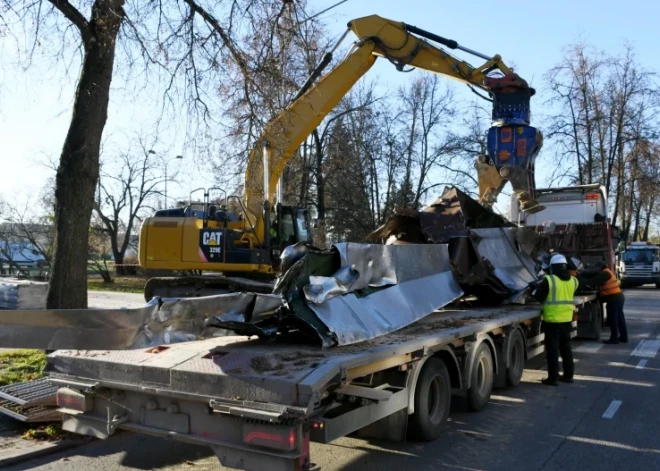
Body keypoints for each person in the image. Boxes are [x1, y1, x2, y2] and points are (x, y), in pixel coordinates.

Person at [532, 253, 578, 386]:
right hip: (566, 319)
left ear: (553, 267)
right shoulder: (573, 280)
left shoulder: (549, 280)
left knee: (552, 350)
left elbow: (539, 298)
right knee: (566, 348)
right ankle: (569, 375)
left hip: (552, 320)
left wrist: (534, 289)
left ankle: (553, 378)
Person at [580, 260, 627, 344]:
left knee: (613, 319)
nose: (595, 269)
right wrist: (583, 273)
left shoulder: (605, 274)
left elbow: (593, 281)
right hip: (618, 298)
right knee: (620, 319)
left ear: (599, 267)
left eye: (595, 268)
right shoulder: (607, 272)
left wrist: (581, 282)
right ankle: (624, 337)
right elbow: (594, 274)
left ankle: (614, 339)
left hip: (614, 299)